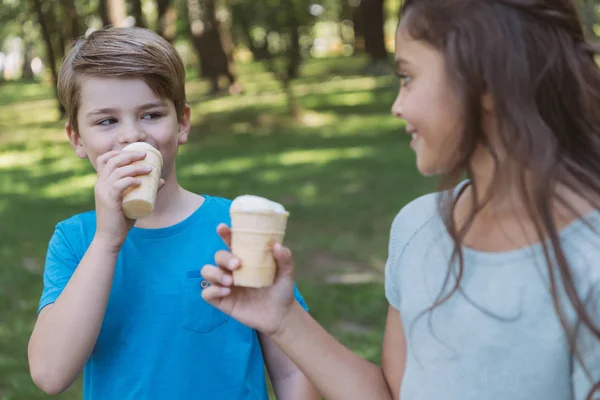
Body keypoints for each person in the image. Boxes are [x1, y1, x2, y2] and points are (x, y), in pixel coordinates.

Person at [200, 1, 600, 399]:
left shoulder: (588, 262)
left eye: (407, 77)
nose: (397, 106)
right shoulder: (418, 228)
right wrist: (283, 319)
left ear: (488, 85)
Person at [27, 27, 320, 400]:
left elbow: (293, 368)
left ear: (182, 123)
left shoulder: (235, 226)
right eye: (106, 121)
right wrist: (108, 240)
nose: (132, 136)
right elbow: (50, 375)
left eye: (150, 114)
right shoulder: (77, 240)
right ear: (76, 139)